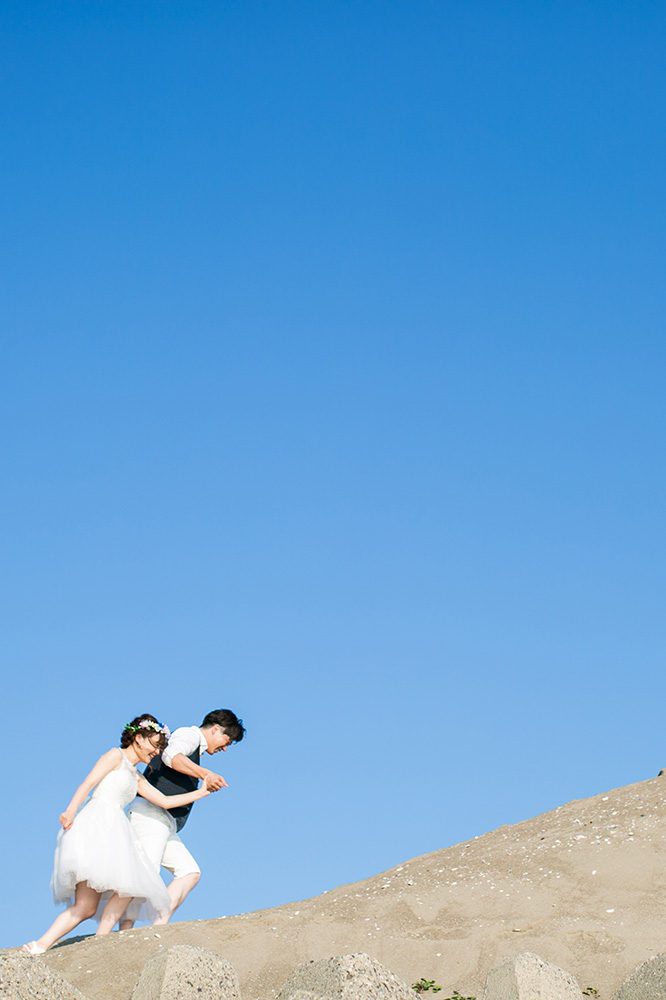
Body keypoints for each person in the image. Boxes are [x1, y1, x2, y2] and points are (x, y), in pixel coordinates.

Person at [21, 715, 211, 955]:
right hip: (96, 826)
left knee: (94, 904)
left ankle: (59, 943)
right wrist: (70, 810)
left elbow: (164, 800)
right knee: (104, 895)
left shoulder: (136, 775)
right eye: (154, 745)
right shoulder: (114, 756)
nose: (156, 752)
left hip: (116, 830)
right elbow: (88, 783)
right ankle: (41, 945)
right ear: (139, 738)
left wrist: (201, 792)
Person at [118, 708, 245, 929]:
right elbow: (170, 756)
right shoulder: (189, 735)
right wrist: (206, 774)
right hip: (150, 814)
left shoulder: (196, 750)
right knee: (145, 873)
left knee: (189, 872)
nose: (225, 748)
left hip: (165, 822)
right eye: (227, 740)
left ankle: (158, 926)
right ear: (216, 728)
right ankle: (123, 934)